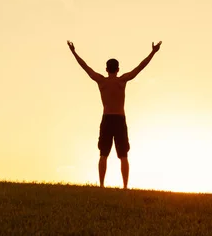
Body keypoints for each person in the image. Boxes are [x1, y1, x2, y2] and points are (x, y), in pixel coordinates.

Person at [67, 40, 162, 189]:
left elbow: (85, 67)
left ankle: (102, 186)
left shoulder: (101, 81)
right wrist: (153, 52)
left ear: (106, 69)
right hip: (119, 119)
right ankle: (124, 186)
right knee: (123, 155)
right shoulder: (122, 81)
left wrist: (73, 52)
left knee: (103, 154)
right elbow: (140, 67)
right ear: (118, 69)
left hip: (107, 119)